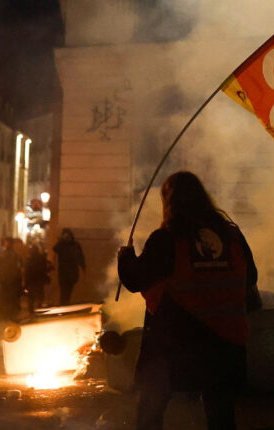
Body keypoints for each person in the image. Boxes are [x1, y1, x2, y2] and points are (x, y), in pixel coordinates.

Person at [117, 171, 262, 430]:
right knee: (220, 413)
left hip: (176, 345)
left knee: (151, 406)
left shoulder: (167, 239)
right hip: (227, 343)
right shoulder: (231, 237)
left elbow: (137, 280)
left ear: (169, 201)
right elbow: (250, 277)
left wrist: (126, 257)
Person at [52, 228, 85, 305]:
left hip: (72, 271)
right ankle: (63, 303)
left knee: (68, 289)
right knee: (64, 290)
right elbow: (54, 251)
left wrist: (83, 267)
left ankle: (65, 302)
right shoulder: (61, 244)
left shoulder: (75, 245)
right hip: (63, 271)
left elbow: (80, 257)